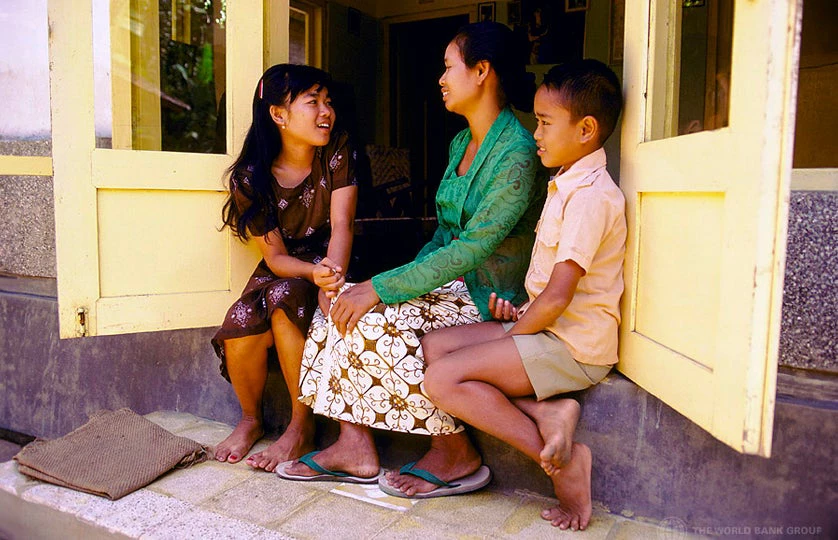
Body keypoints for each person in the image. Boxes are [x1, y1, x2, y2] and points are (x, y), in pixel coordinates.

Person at [276, 21, 546, 484]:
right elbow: (443, 235)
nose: (440, 79)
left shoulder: (516, 152)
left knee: (379, 319)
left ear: (482, 71)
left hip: (489, 295)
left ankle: (454, 449)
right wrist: (379, 284)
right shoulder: (461, 142)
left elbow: (472, 248)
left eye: (448, 67)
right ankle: (354, 445)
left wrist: (381, 289)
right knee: (339, 307)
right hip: (451, 284)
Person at [383, 59, 626, 532]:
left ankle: (558, 460)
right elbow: (549, 296)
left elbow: (557, 299)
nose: (535, 133)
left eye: (545, 123)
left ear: (586, 129)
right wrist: (516, 315)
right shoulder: (566, 180)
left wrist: (509, 335)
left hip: (573, 347)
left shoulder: (592, 197)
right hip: (547, 327)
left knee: (443, 380)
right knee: (434, 345)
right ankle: (548, 408)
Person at [211, 64, 358, 472]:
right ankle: (250, 419)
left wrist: (333, 276)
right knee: (240, 319)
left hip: (335, 258)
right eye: (313, 102)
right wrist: (312, 273)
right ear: (279, 114)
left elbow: (343, 225)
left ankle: (300, 425)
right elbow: (275, 258)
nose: (326, 111)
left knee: (282, 303)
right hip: (287, 264)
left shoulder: (338, 150)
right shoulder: (250, 178)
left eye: (328, 102)